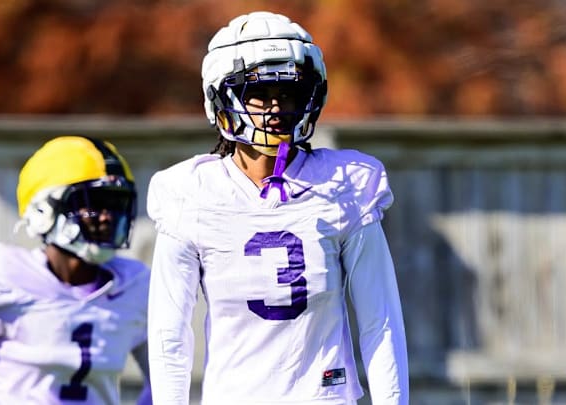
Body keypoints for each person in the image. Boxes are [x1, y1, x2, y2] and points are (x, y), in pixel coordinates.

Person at [146, 11, 408, 405]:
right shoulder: (190, 194)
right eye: (259, 92)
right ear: (221, 98)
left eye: (288, 93)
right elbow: (170, 335)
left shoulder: (345, 186)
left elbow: (380, 321)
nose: (275, 107)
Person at [0, 136, 152, 404]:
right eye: (93, 202)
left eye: (116, 203)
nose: (107, 216)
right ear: (45, 209)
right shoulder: (6, 276)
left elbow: (169, 378)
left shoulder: (134, 285)